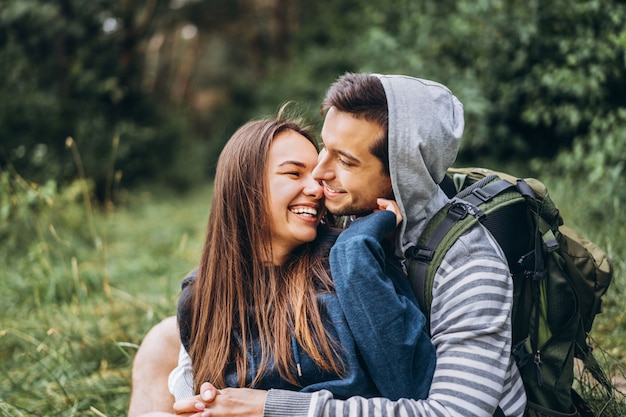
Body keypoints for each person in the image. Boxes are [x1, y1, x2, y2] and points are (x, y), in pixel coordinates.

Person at [132, 72, 528, 417]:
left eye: (346, 160)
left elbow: (449, 412)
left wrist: (270, 407)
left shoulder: (469, 265)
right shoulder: (343, 215)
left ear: (402, 175)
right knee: (162, 340)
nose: (319, 177)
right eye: (325, 147)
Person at [130, 110, 435, 417]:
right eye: (293, 173)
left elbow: (411, 388)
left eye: (316, 175)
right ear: (244, 188)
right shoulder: (201, 297)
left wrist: (357, 251)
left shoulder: (352, 265)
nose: (317, 189)